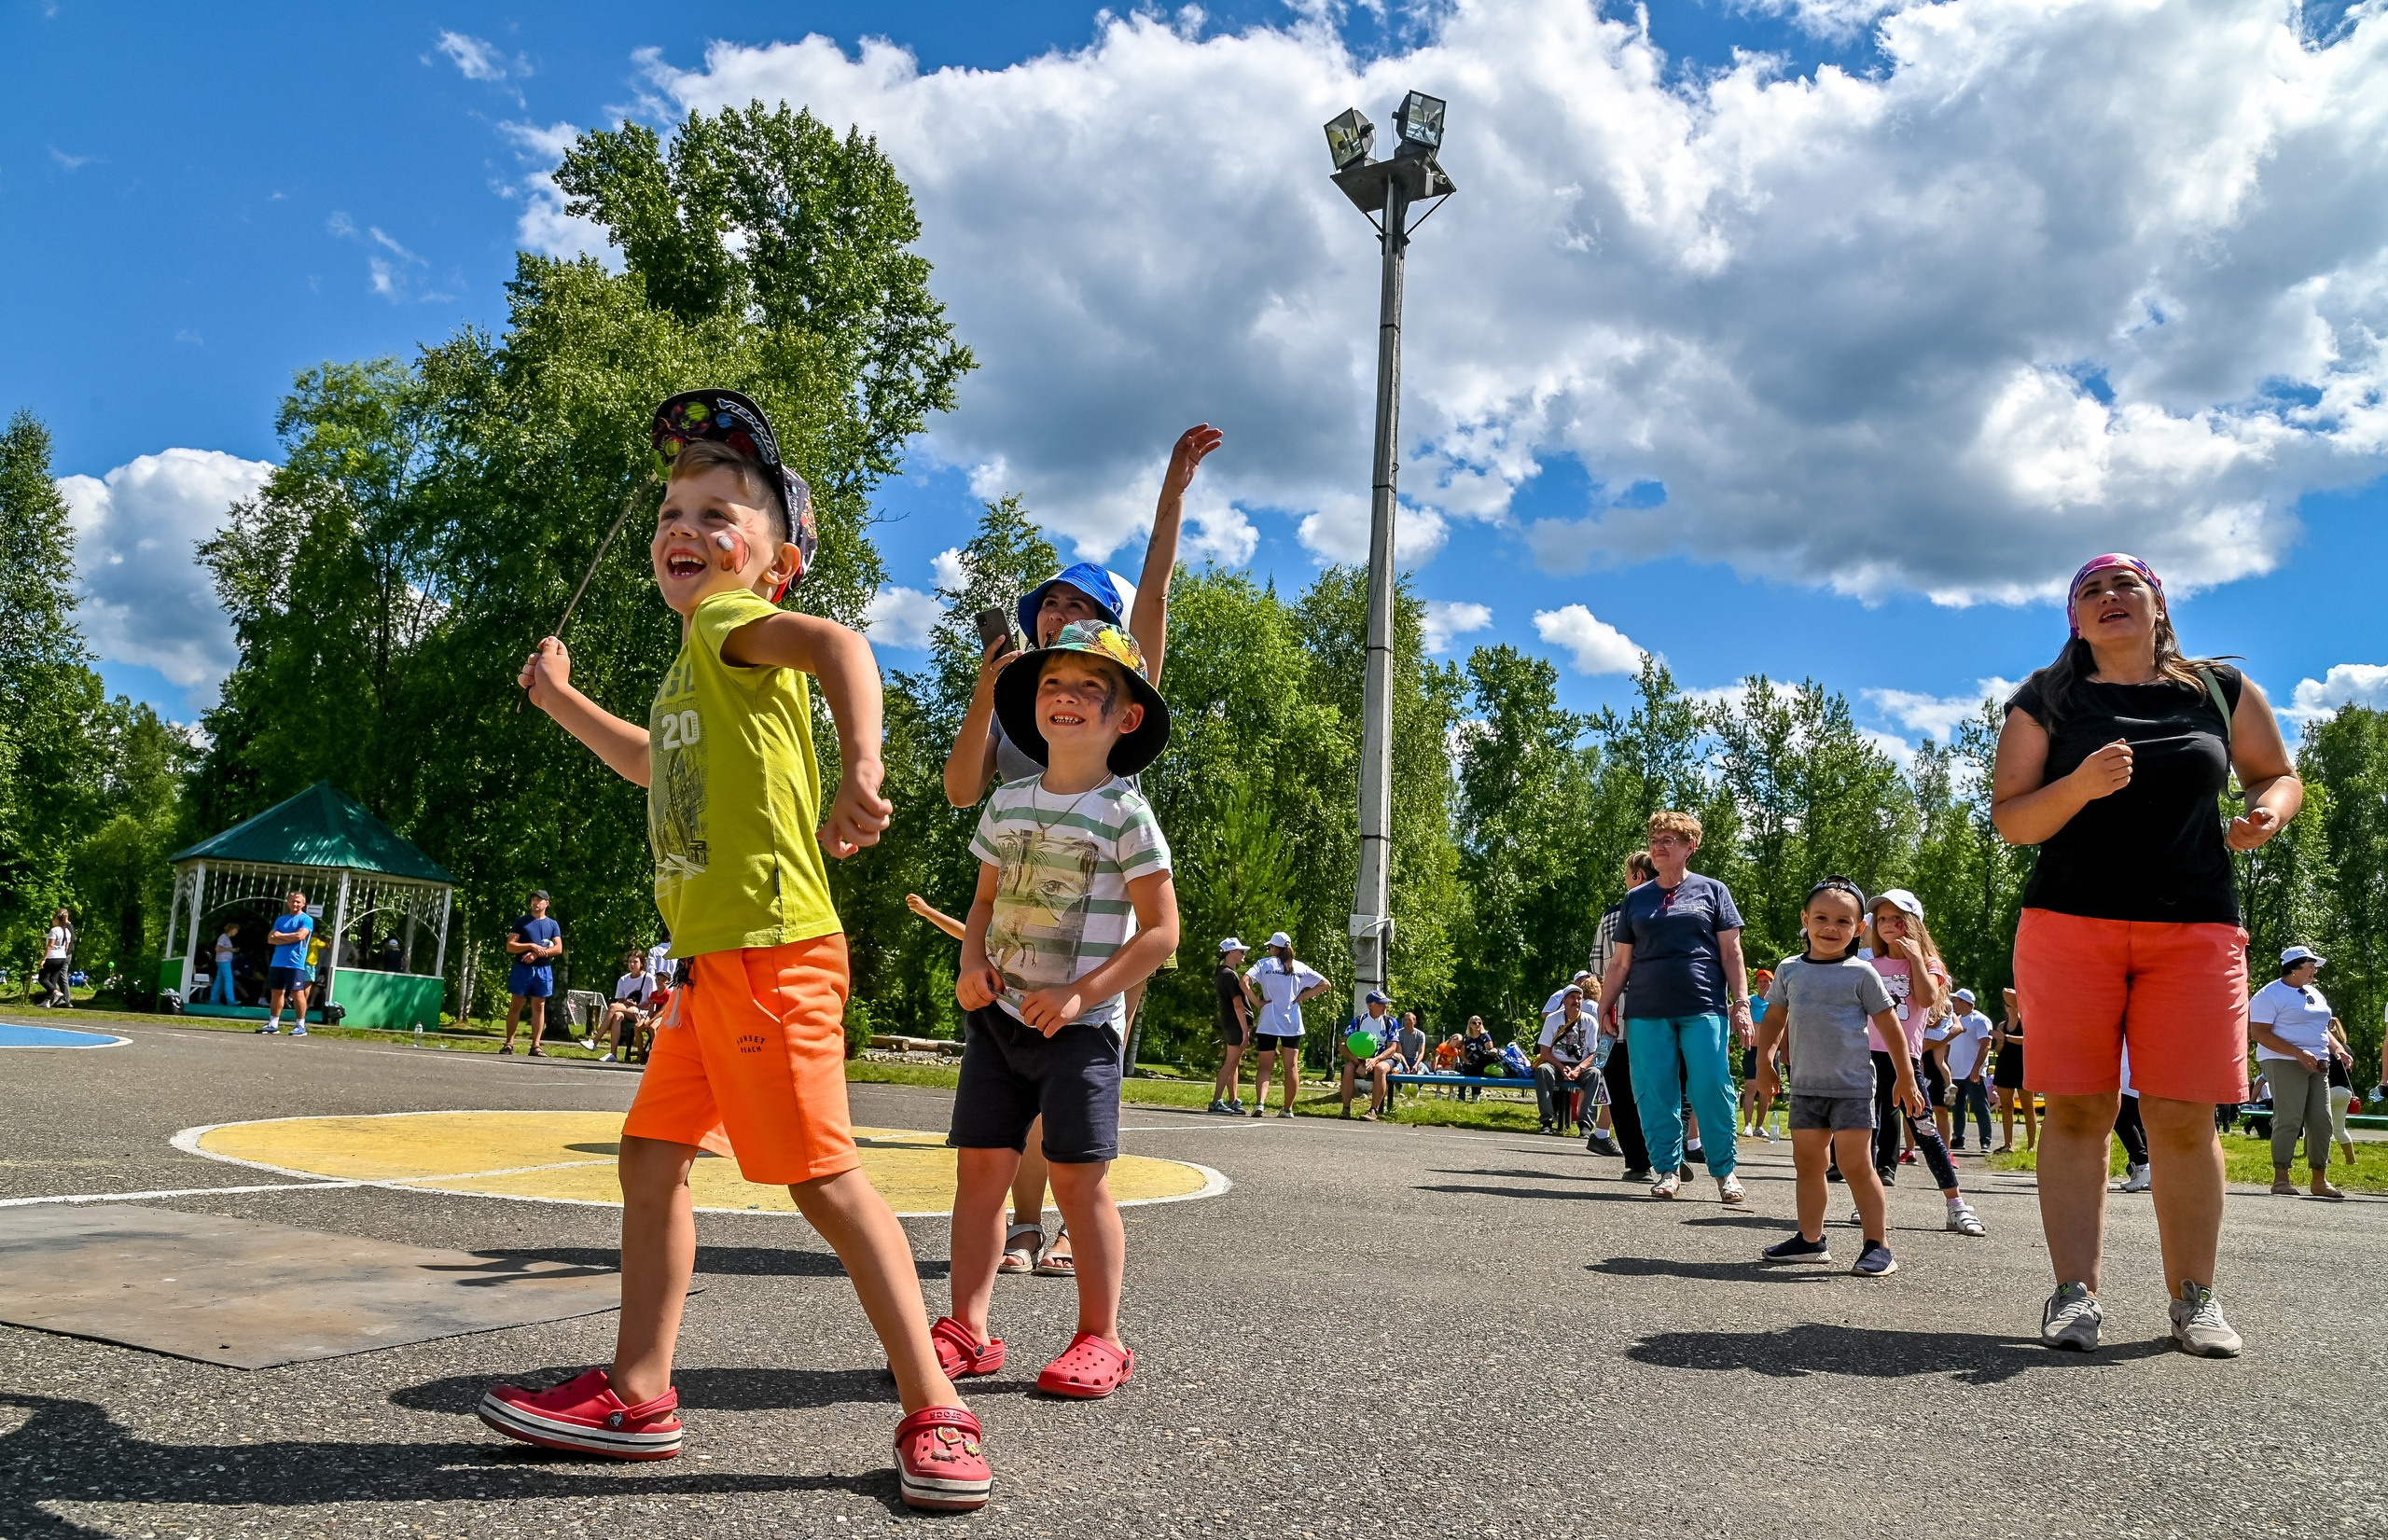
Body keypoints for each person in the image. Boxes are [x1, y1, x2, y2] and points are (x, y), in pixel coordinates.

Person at [496, 388, 986, 1508]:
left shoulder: (728, 623)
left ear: (777, 563)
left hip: (769, 956)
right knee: (652, 1156)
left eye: (722, 513)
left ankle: (936, 1408)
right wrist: (564, 701)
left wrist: (865, 765)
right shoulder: (691, 670)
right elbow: (645, 765)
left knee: (823, 1183)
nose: (687, 528)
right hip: (714, 967)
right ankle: (638, 1391)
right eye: (676, 509)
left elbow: (844, 645)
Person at [1992, 550, 2300, 1360]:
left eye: (2125, 583)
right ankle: (2074, 1295)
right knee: (2080, 1108)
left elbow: (2278, 775)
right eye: (2089, 590)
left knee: (2182, 1114)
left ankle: (2194, 1297)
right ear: (2076, 621)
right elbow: (2014, 820)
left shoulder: (2220, 690)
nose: (2108, 596)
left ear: (2158, 603)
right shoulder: (2046, 698)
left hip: (2195, 929)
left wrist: (2267, 811)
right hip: (2070, 926)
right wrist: (2079, 787)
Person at [937, 425, 1221, 1281]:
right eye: (1052, 604)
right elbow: (959, 790)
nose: (1065, 615)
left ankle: (1059, 1225)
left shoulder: (1112, 693)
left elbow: (1157, 599)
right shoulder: (1024, 705)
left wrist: (1170, 499)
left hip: (1100, 931)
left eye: (1084, 607)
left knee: (1077, 1093)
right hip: (1023, 917)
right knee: (1009, 1091)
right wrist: (987, 690)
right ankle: (1023, 1228)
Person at [946, 619, 1180, 1403]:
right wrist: (972, 963)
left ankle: (1100, 1336)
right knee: (981, 1170)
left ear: (1126, 716)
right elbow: (982, 902)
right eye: (1052, 683)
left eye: (1090, 688)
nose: (1067, 698)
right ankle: (967, 1328)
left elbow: (1163, 933)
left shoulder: (1126, 814)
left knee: (1080, 1181)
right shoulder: (1008, 802)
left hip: (1080, 1033)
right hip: (998, 1022)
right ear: (1033, 703)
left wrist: (1084, 992)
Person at [1756, 878, 1912, 1277]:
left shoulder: (1861, 973)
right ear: (1805, 920)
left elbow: (1891, 1025)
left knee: (1856, 1164)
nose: (1831, 927)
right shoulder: (1789, 970)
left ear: (1860, 928)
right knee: (1808, 1163)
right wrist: (1764, 1063)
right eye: (1821, 917)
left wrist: (1905, 1076)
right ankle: (1810, 1240)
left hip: (1852, 1087)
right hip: (1806, 1086)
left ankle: (1878, 1245)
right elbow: (1774, 1019)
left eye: (1844, 921)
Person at [1598, 811, 1750, 1203]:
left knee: (1712, 1086)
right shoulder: (1635, 899)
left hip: (1703, 1007)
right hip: (1647, 1011)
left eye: (1670, 840)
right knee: (1654, 1090)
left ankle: (1725, 1172)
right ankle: (1666, 1169)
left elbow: (1732, 952)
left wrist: (1742, 1003)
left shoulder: (1713, 891)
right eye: (1655, 839)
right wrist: (1604, 1006)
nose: (1660, 846)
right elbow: (1620, 962)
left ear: (1690, 847)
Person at [2249, 947, 2346, 1200]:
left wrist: (2337, 1050)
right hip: (2282, 1061)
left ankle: (2319, 1180)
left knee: (2322, 1120)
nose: (2315, 970)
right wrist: (2298, 1053)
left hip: (2318, 1063)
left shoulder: (2314, 993)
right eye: (2310, 965)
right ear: (2294, 968)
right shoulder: (2268, 995)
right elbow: (2260, 1033)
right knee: (2289, 1118)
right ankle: (2281, 1178)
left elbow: (2322, 1029)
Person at [1585, 853, 1659, 1176]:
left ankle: (1637, 1161)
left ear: (1638, 877)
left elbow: (1598, 966)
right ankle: (1670, 1152)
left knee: (1619, 1085)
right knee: (1662, 1085)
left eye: (1628, 874)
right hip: (1661, 1017)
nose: (1626, 879)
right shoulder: (1673, 912)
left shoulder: (1614, 917)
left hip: (1619, 1017)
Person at [1247, 931, 1328, 1118]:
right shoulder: (1299, 967)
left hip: (1268, 1020)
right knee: (1291, 1066)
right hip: (1292, 1022)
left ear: (1275, 948)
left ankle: (1260, 1103)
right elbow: (1325, 984)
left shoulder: (1264, 964)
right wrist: (1301, 997)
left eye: (1269, 947)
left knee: (1265, 1066)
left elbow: (1245, 982)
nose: (1269, 950)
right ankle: (1287, 1108)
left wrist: (1257, 1002)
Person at [500, 892, 563, 1057]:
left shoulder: (552, 924)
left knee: (539, 1006)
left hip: (543, 969)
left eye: (539, 900)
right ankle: (509, 1043)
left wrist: (537, 954)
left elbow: (558, 948)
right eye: (533, 900)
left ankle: (536, 1046)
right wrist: (531, 946)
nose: (535, 903)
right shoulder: (522, 922)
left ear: (547, 903)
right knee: (516, 1004)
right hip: (522, 969)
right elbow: (510, 946)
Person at [1534, 988, 1597, 1137]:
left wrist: (1579, 1069)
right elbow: (1544, 1052)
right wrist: (1561, 1067)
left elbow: (1594, 1053)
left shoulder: (1590, 1021)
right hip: (1556, 1063)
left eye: (1579, 998)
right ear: (1564, 1000)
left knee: (1595, 1074)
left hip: (1580, 1065)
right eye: (1572, 997)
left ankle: (1585, 1125)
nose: (1576, 1001)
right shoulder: (1552, 1019)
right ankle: (1547, 1122)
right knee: (1543, 1070)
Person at [1942, 990, 1995, 1152]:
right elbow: (1949, 1045)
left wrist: (1976, 1069)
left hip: (1972, 1072)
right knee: (1957, 1107)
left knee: (1980, 1106)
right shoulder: (1954, 1020)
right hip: (1956, 1071)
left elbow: (1986, 1045)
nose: (1954, 1004)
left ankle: (1985, 1139)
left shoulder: (1979, 1020)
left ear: (1965, 1002)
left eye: (1957, 1001)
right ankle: (1958, 1137)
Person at [1210, 937, 1255, 1115]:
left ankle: (1233, 1099)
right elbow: (1238, 1005)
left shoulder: (1222, 972)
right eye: (1240, 951)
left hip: (1230, 1023)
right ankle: (1216, 1101)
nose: (1243, 954)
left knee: (1234, 1062)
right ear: (1231, 953)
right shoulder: (1229, 975)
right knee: (1230, 1062)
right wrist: (1245, 1030)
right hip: (1236, 1023)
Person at [1340, 991, 1402, 1120]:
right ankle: (1346, 1109)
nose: (1385, 1007)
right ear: (1371, 1005)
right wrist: (1356, 1060)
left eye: (1386, 1004)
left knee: (1380, 1069)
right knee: (1348, 1068)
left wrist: (1375, 1060)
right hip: (1360, 1058)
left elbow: (1393, 1048)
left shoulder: (1390, 1022)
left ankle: (1373, 1110)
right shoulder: (1359, 1021)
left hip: (1384, 1058)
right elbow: (1342, 1045)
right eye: (1382, 1004)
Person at [258, 893, 312, 1035]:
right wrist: (290, 937)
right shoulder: (281, 920)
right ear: (288, 902)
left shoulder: (306, 919)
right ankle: (273, 1024)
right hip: (277, 962)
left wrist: (281, 936)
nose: (295, 904)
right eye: (293, 901)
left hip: (295, 963)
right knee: (276, 992)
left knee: (297, 992)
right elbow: (270, 939)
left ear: (304, 904)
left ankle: (301, 1026)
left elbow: (300, 936)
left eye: (298, 902)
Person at [599, 950, 658, 1064]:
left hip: (643, 1012)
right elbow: (620, 1001)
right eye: (630, 962)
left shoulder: (649, 979)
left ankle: (596, 1040)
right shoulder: (623, 979)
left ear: (642, 963)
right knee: (617, 1015)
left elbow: (652, 1002)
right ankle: (613, 1054)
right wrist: (627, 1002)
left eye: (635, 962)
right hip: (627, 1010)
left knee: (612, 1007)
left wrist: (637, 1005)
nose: (632, 964)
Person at [1742, 967, 1779, 1142]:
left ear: (1772, 984)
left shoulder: (1776, 1003)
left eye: (1767, 981)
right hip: (1752, 1050)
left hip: (1770, 1051)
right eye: (1760, 981)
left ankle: (1759, 1126)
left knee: (1766, 1090)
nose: (1764, 983)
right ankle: (1748, 1124)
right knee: (1751, 1087)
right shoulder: (1749, 1001)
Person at [1993, 987, 2034, 1153]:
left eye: (2014, 1005)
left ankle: (2031, 1146)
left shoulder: (2025, 1022)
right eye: (2008, 1006)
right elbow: (1998, 1050)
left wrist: (2007, 1038)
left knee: (2027, 1107)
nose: (2010, 1008)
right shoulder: (2002, 1025)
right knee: (2006, 1106)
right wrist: (2001, 1041)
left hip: (2023, 1068)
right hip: (2005, 1067)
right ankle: (2008, 1144)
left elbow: (2026, 1041)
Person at [2112, 1046, 2151, 1193]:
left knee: (2120, 1120)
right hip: (2131, 1075)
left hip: (2126, 1077)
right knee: (2137, 1122)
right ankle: (2148, 1167)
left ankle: (2142, 1163)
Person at [35, 908, 74, 1008]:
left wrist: (44, 959)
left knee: (43, 979)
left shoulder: (54, 930)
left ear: (57, 919)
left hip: (52, 957)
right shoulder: (67, 930)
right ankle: (48, 1001)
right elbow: (67, 945)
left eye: (53, 919)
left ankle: (57, 993)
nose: (52, 921)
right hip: (62, 957)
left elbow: (50, 945)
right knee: (53, 980)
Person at [207, 920, 241, 1004]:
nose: (237, 932)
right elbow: (217, 948)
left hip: (222, 961)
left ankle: (213, 1000)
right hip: (224, 962)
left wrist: (232, 950)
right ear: (232, 929)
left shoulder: (226, 938)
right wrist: (231, 949)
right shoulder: (224, 937)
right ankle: (231, 1000)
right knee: (229, 980)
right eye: (236, 930)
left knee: (219, 980)